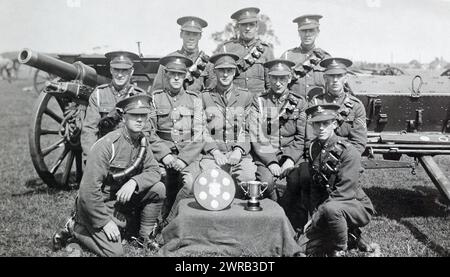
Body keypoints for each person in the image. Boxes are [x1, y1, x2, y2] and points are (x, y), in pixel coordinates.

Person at [52, 95, 166, 257]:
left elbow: (154, 171)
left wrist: (134, 182)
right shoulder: (107, 145)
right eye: (134, 115)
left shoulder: (142, 141)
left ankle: (144, 237)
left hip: (120, 202)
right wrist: (105, 223)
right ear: (123, 117)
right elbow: (88, 192)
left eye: (143, 115)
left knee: (158, 188)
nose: (140, 120)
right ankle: (76, 229)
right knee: (115, 252)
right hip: (98, 204)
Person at [297, 103, 374, 257]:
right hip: (328, 205)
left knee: (332, 210)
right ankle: (352, 236)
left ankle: (340, 248)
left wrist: (318, 215)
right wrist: (313, 216)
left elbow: (343, 192)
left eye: (325, 123)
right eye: (317, 124)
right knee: (301, 247)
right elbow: (315, 186)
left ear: (334, 124)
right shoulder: (314, 148)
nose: (321, 128)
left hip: (353, 203)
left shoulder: (348, 152)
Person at [150, 54, 205, 225]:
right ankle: (153, 221)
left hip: (187, 153)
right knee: (157, 182)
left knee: (190, 184)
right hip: (161, 153)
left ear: (185, 76)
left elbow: (200, 134)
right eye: (172, 74)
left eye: (179, 75)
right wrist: (164, 154)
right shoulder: (155, 98)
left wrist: (183, 159)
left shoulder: (194, 99)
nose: (175, 78)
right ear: (165, 75)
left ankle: (169, 221)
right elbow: (148, 132)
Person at [248, 59, 307, 201]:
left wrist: (291, 159)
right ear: (269, 78)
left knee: (296, 181)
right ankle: (276, 206)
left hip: (292, 154)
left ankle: (292, 213)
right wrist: (271, 161)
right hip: (266, 154)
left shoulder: (299, 102)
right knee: (266, 183)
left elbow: (301, 136)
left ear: (289, 78)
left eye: (282, 78)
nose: (278, 83)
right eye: (274, 78)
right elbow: (256, 135)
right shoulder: (259, 101)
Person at [201, 52, 257, 199]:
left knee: (248, 178)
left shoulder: (245, 96)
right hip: (212, 156)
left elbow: (248, 128)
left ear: (234, 72)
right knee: (211, 183)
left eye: (229, 71)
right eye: (221, 70)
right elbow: (201, 129)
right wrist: (214, 151)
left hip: (239, 154)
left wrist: (239, 150)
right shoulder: (205, 97)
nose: (225, 74)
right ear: (215, 72)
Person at [81, 51, 145, 162]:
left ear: (131, 71)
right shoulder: (99, 94)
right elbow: (90, 129)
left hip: (132, 156)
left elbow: (146, 132)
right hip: (104, 155)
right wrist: (90, 157)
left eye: (124, 70)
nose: (119, 75)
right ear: (111, 70)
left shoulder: (139, 96)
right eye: (116, 70)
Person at [308, 57, 367, 154]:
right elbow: (310, 137)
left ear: (345, 78)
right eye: (331, 76)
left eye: (339, 76)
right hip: (319, 156)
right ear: (325, 78)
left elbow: (359, 142)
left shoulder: (356, 106)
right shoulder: (316, 103)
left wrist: (344, 159)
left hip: (346, 156)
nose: (335, 80)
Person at [217, 7, 275, 96]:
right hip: (234, 102)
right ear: (238, 27)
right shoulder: (226, 49)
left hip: (258, 102)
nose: (248, 28)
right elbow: (217, 80)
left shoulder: (266, 50)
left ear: (256, 27)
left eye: (251, 25)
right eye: (244, 25)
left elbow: (271, 84)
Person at [150, 16, 212, 93]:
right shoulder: (168, 60)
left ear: (200, 36)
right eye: (187, 34)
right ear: (181, 35)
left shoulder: (207, 64)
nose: (191, 38)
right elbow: (156, 92)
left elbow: (211, 95)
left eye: (195, 34)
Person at [281, 15, 331, 99]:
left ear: (318, 32)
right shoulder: (287, 56)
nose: (307, 34)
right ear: (298, 33)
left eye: (311, 30)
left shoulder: (326, 58)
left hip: (318, 109)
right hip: (294, 109)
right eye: (303, 31)